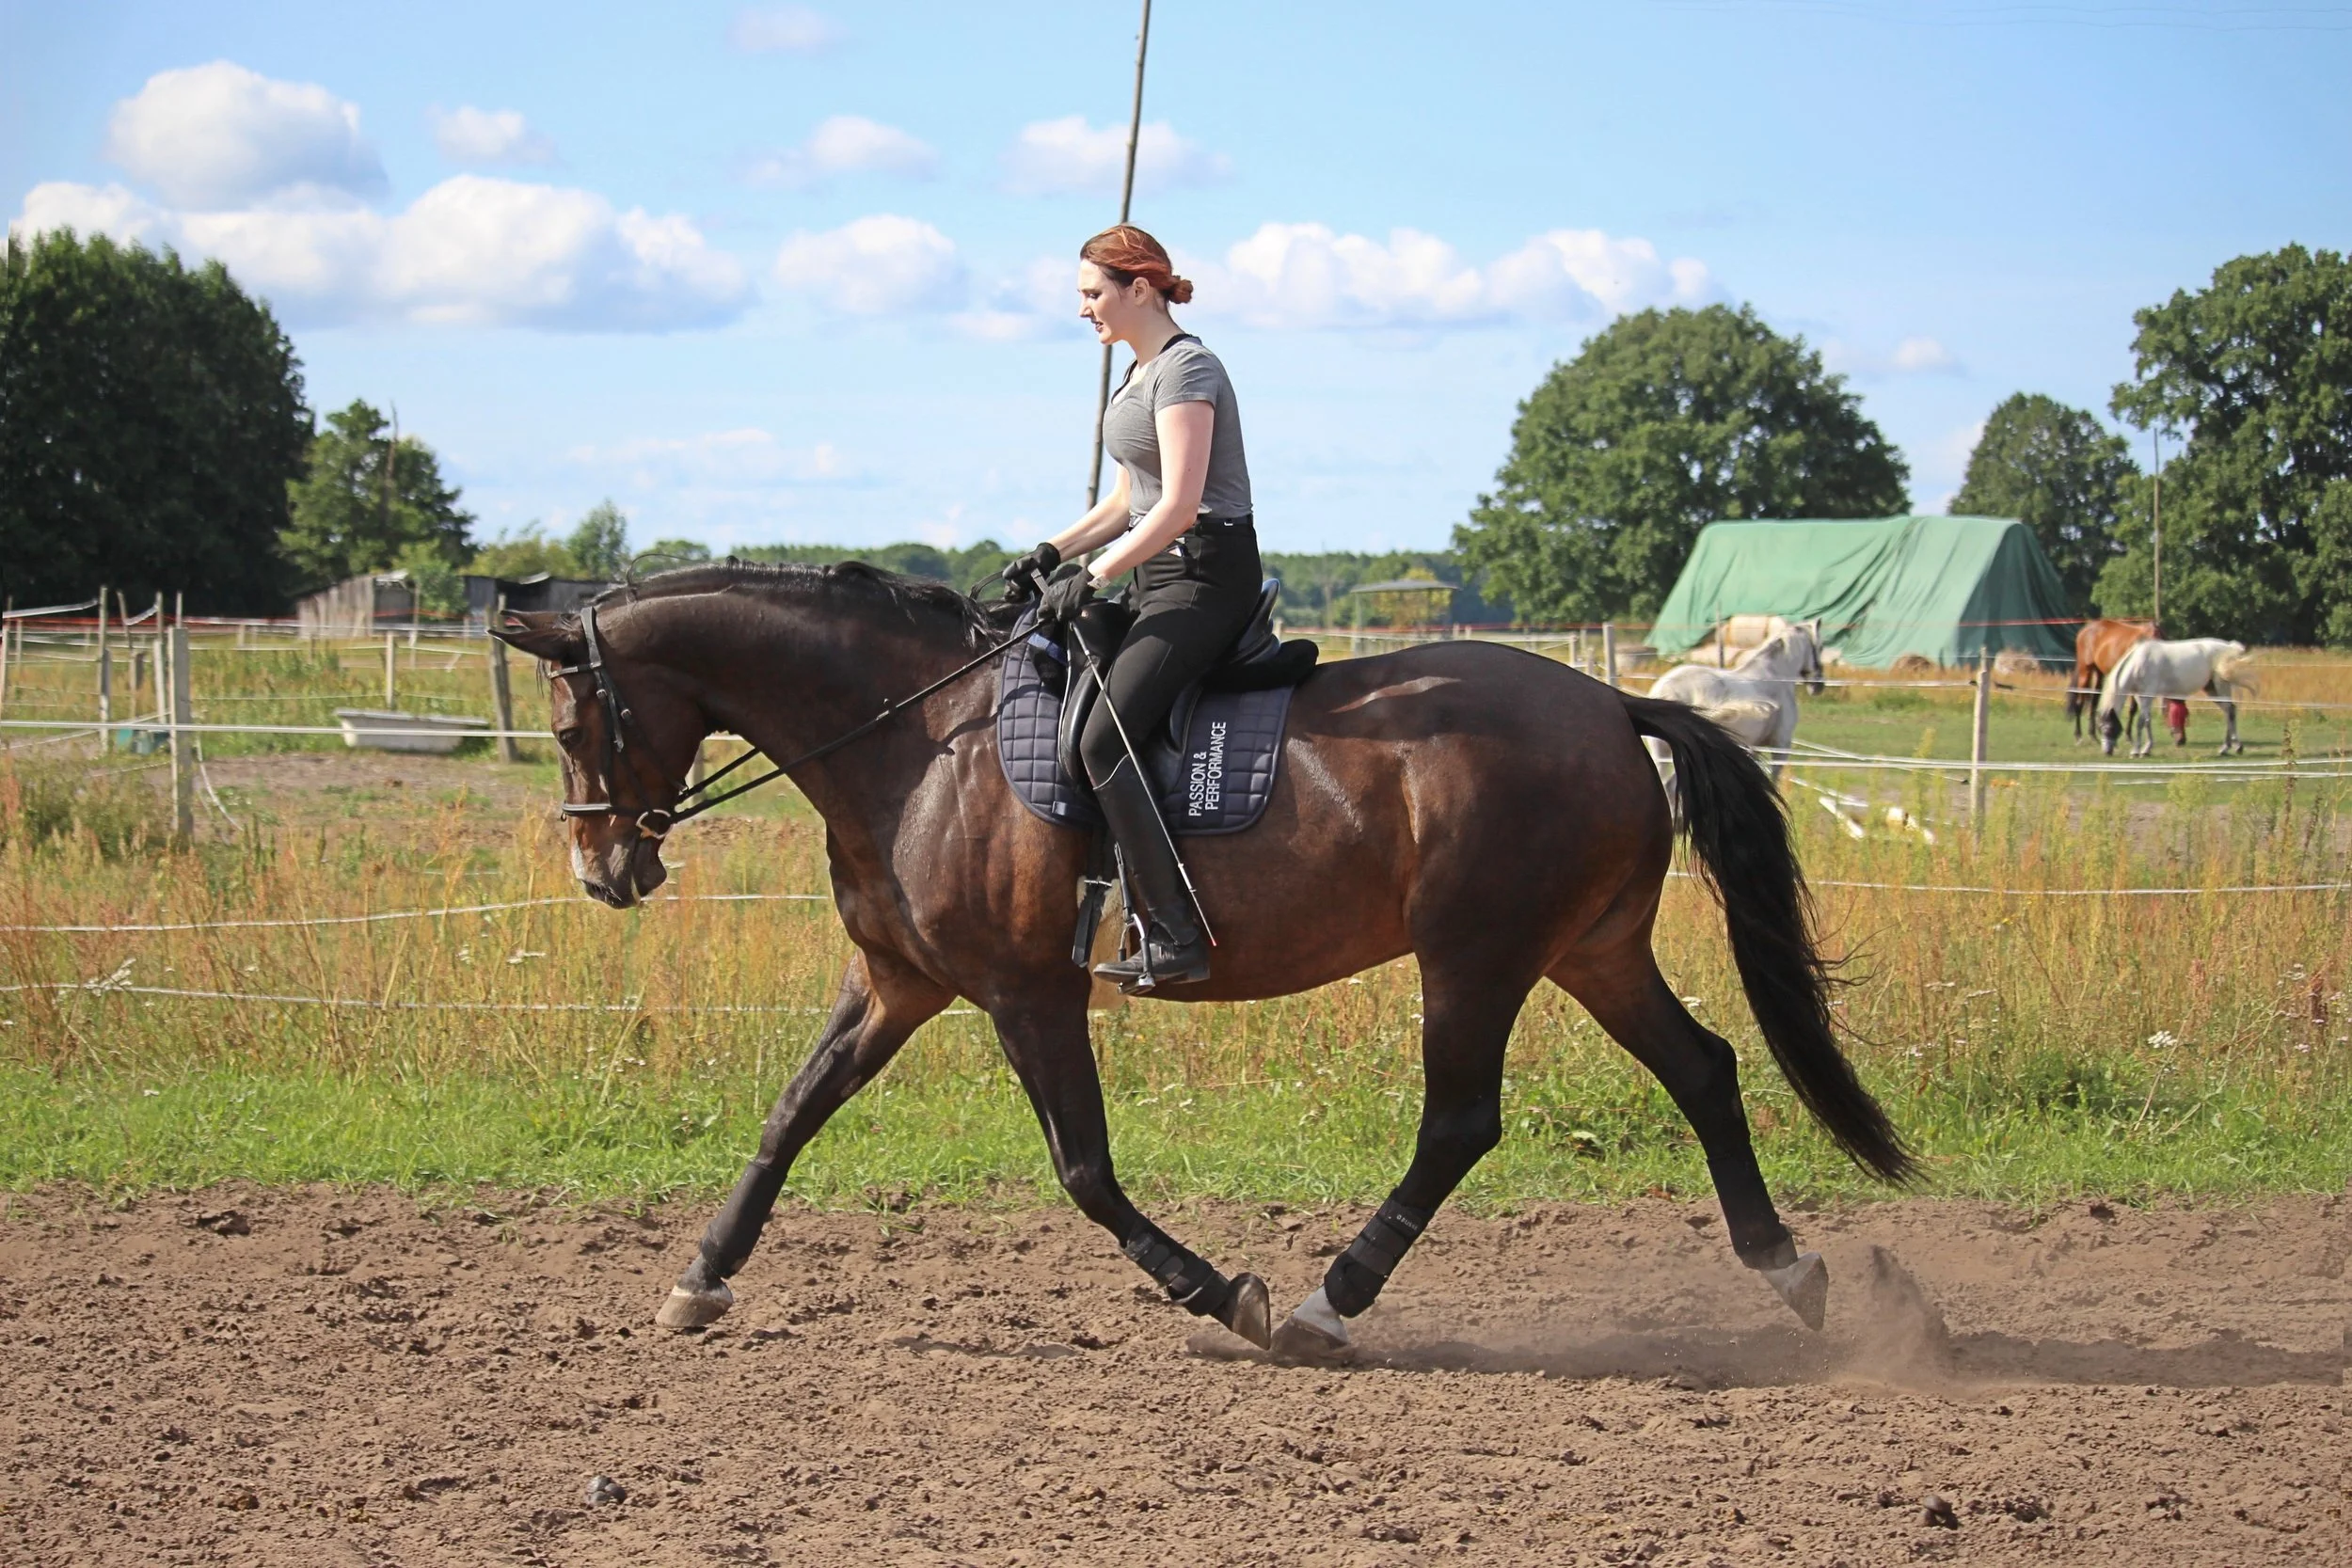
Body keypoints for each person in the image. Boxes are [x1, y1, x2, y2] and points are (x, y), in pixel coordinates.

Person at [1001, 225, 1261, 992]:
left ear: (1139, 288)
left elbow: (1179, 504)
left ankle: (1178, 933)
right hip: (1155, 578)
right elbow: (1128, 498)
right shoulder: (1136, 375)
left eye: (1093, 293)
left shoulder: (1187, 371)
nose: (1084, 309)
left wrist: (1097, 572)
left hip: (1205, 580)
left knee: (1103, 739)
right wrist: (1051, 551)